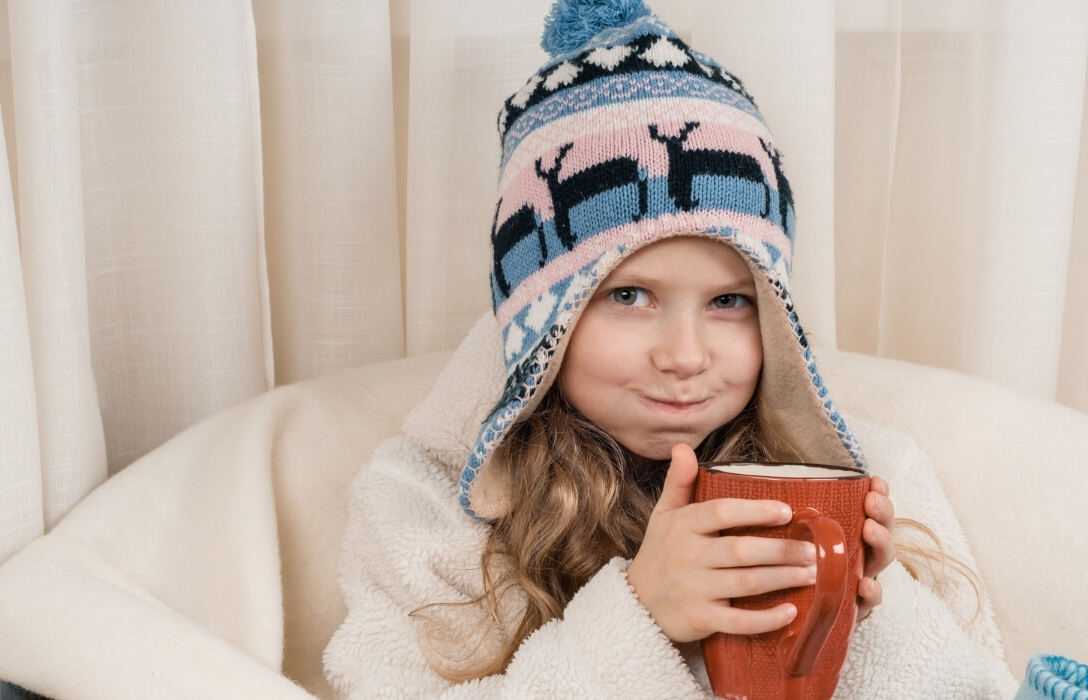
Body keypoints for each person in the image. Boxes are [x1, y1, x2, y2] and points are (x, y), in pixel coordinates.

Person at [322, 1, 1018, 696]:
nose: (685, 357)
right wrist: (638, 617)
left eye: (729, 302)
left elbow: (982, 688)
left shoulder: (876, 474)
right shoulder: (425, 515)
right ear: (541, 319)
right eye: (629, 296)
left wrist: (867, 619)